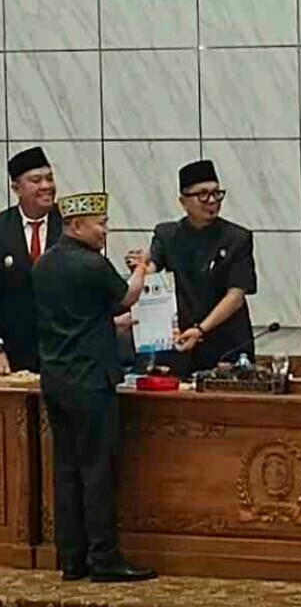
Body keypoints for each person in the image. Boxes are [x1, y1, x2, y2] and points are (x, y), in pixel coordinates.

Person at [33, 191, 157, 583]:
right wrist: (142, 268)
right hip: (90, 381)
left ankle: (73, 559)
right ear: (75, 225)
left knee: (67, 470)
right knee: (97, 470)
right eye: (100, 224)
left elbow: (75, 315)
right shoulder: (91, 263)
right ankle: (105, 558)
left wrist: (106, 324)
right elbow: (126, 296)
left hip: (56, 379)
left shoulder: (45, 263)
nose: (105, 230)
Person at [127, 159, 257, 376]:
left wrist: (200, 329)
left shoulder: (237, 238)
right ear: (183, 201)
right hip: (181, 342)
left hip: (225, 343)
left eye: (216, 194)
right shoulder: (167, 234)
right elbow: (152, 268)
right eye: (203, 194)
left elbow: (235, 296)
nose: (212, 201)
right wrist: (140, 267)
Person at [0, 147, 61, 375]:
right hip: (14, 355)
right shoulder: (2, 228)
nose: (46, 186)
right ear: (16, 188)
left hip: (67, 355)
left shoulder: (71, 226)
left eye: (49, 178)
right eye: (36, 180)